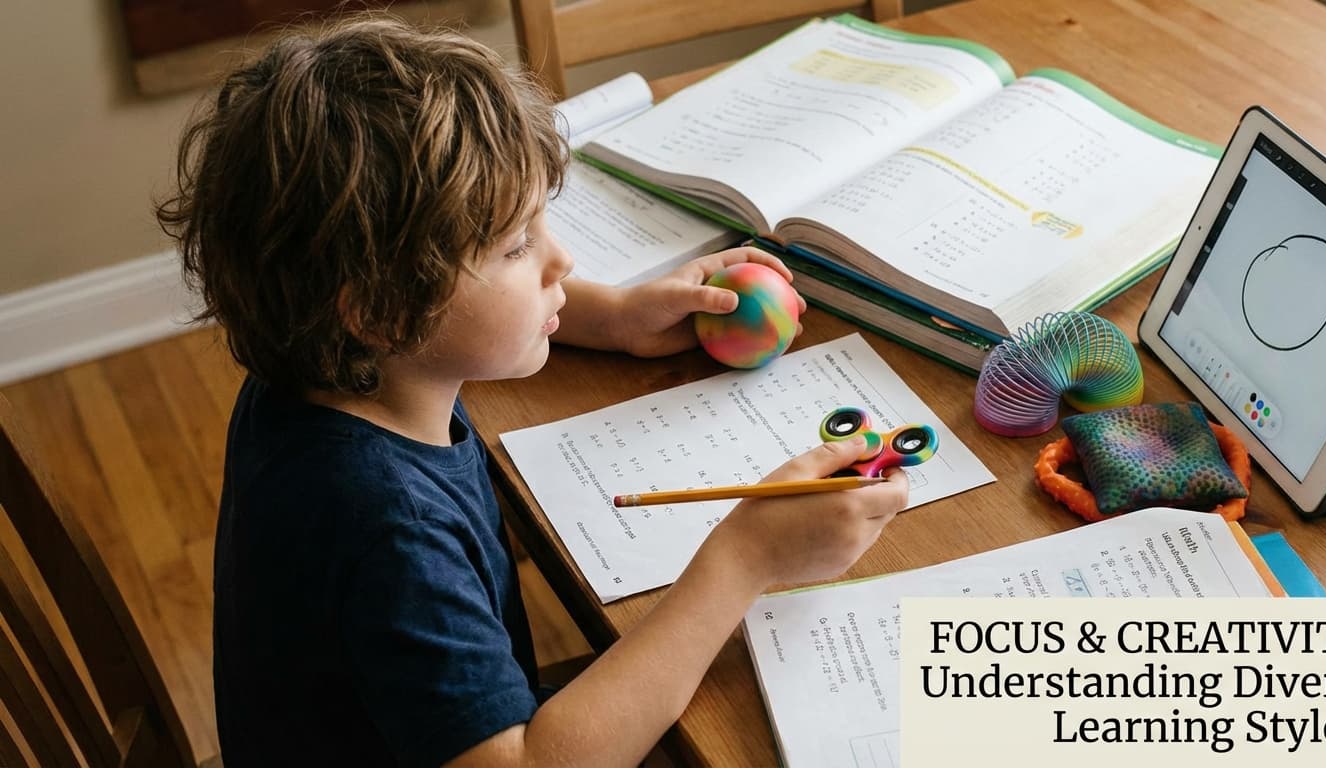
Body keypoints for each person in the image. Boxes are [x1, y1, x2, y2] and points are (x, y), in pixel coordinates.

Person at [158, 14, 908, 768]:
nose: (562, 259)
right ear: (382, 310)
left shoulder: (329, 355)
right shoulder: (388, 529)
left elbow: (447, 313)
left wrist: (612, 316)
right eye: (518, 245)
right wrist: (742, 561)